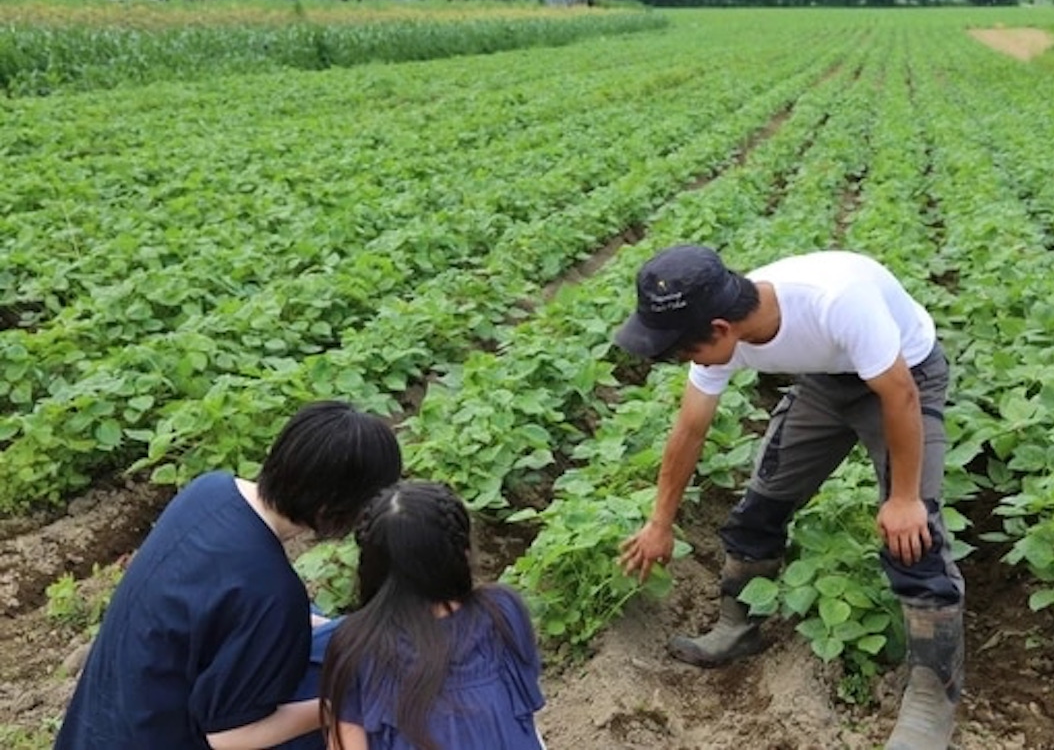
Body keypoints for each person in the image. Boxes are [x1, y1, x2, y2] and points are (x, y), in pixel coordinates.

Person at [614, 245, 964, 750]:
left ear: (718, 330)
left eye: (682, 351)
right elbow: (690, 428)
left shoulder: (837, 302)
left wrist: (904, 498)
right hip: (826, 382)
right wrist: (659, 523)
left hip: (904, 377)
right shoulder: (721, 322)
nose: (681, 362)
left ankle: (933, 702)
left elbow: (900, 395)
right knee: (760, 507)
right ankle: (738, 626)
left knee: (914, 540)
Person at [55, 401, 402, 750]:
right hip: (175, 737)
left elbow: (216, 605)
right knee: (368, 700)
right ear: (336, 507)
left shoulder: (208, 492)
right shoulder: (272, 592)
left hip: (97, 732)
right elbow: (229, 737)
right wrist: (339, 707)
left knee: (336, 638)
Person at [320, 480, 545, 750]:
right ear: (461, 552)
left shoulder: (356, 645)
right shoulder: (503, 610)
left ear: (369, 566)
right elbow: (522, 719)